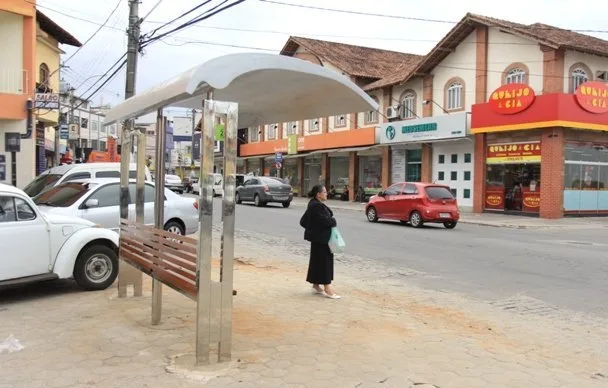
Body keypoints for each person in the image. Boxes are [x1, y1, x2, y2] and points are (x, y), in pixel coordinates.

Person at [299, 184, 341, 299]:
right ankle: (328, 288)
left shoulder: (315, 204)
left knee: (317, 262)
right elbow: (326, 221)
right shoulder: (315, 206)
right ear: (318, 194)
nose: (327, 194)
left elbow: (304, 221)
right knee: (324, 263)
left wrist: (313, 229)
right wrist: (332, 221)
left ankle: (316, 285)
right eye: (325, 192)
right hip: (321, 240)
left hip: (319, 239)